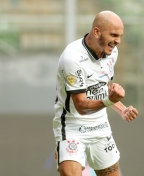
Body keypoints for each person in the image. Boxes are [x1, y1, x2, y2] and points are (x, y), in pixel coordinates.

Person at [53, 10, 138, 176]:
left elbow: (103, 86)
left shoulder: (111, 53)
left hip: (101, 128)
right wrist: (109, 100)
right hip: (72, 127)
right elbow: (81, 106)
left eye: (120, 36)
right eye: (114, 35)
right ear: (97, 31)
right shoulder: (73, 58)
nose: (118, 41)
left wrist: (122, 109)